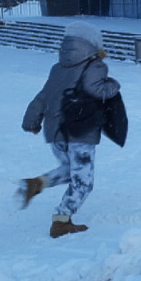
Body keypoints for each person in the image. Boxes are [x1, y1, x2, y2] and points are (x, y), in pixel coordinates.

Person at [19, 21, 122, 238]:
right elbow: (98, 90)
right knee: (84, 182)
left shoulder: (58, 68)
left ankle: (37, 183)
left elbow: (43, 96)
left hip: (55, 130)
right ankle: (61, 220)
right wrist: (113, 85)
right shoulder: (95, 66)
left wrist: (32, 122)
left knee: (68, 170)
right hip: (80, 130)